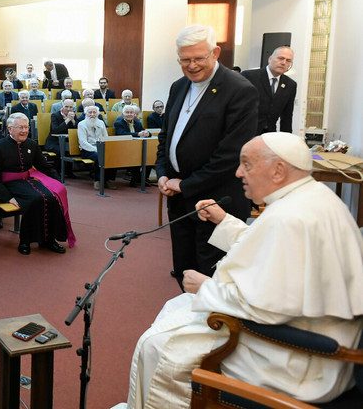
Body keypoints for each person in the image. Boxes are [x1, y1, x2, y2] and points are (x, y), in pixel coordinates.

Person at [116, 132, 363, 409]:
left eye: (246, 164)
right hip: (309, 336)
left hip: (297, 360)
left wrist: (205, 287)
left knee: (157, 347)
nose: (238, 172)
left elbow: (270, 307)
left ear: (278, 170)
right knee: (176, 308)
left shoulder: (290, 217)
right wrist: (224, 221)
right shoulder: (308, 198)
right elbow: (271, 248)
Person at [155, 24, 258, 288]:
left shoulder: (239, 90)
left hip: (217, 200)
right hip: (179, 198)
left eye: (198, 58)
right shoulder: (179, 86)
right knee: (184, 271)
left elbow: (230, 155)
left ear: (215, 52)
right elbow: (166, 136)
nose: (191, 66)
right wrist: (164, 172)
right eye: (184, 60)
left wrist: (186, 184)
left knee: (212, 278)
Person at [0, 113, 75, 254]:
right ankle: (25, 241)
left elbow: (44, 166)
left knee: (51, 197)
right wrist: (7, 198)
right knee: (35, 199)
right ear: (10, 129)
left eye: (26, 127)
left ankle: (49, 240)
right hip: (10, 185)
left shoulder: (31, 144)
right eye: (20, 127)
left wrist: (58, 182)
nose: (24, 131)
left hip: (28, 181)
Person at [241, 46, 297, 134]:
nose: (283, 63)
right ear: (270, 59)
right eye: (280, 58)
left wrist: (287, 140)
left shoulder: (290, 85)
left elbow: (287, 116)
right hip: (246, 132)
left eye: (288, 60)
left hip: (269, 135)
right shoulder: (249, 76)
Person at [78, 105, 116, 189]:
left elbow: (106, 137)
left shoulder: (101, 123)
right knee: (99, 156)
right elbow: (83, 142)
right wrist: (96, 150)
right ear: (86, 114)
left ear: (97, 114)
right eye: (90, 112)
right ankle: (98, 180)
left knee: (113, 156)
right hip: (87, 149)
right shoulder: (81, 124)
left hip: (101, 147)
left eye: (94, 112)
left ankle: (108, 179)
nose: (92, 114)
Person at [114, 104, 152, 187]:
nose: (129, 114)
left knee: (150, 158)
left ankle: (142, 179)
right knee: (136, 157)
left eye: (131, 112)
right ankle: (134, 180)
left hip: (136, 147)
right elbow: (122, 134)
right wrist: (138, 134)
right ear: (123, 114)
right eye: (127, 112)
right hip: (123, 148)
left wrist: (147, 133)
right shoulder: (118, 123)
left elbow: (144, 131)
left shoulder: (137, 122)